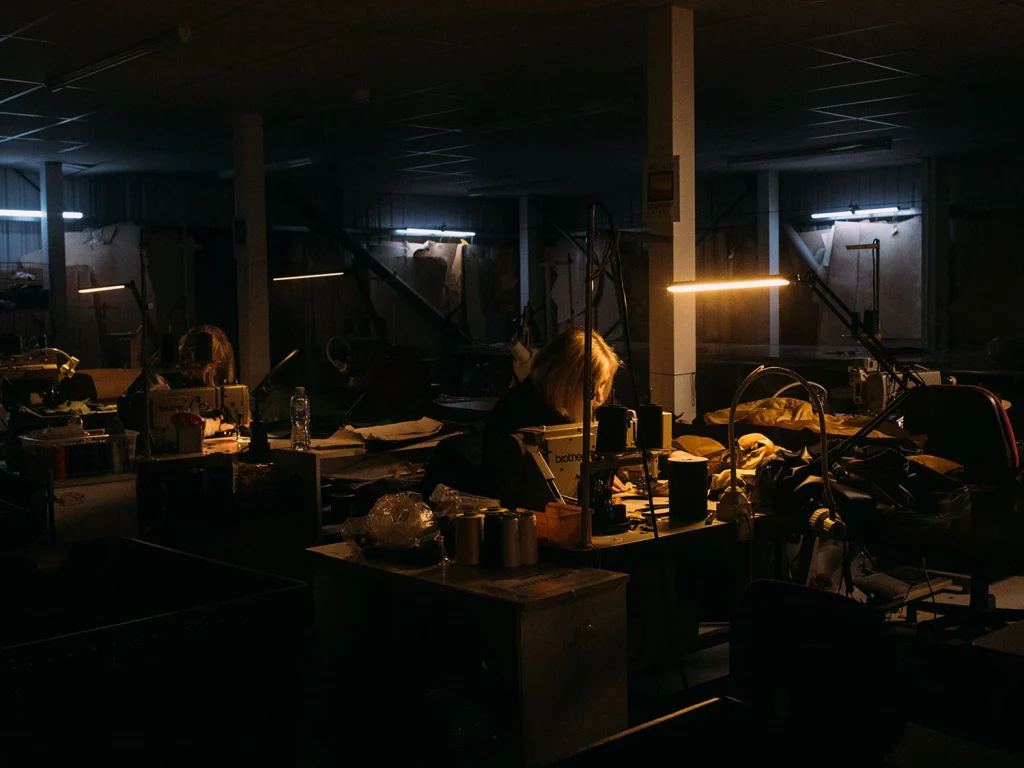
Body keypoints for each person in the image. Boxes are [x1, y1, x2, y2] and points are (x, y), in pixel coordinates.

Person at [482, 327, 622, 506]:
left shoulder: (568, 404)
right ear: (570, 380)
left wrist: (607, 474)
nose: (601, 397)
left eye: (605, 384)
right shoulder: (523, 412)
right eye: (598, 385)